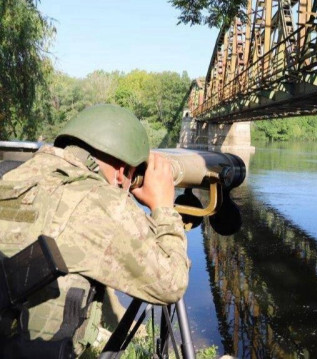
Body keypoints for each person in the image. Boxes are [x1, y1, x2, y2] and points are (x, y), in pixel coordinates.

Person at [0, 104, 190, 357]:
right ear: (122, 172)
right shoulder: (102, 202)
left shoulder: (15, 176)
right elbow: (171, 284)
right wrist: (164, 207)